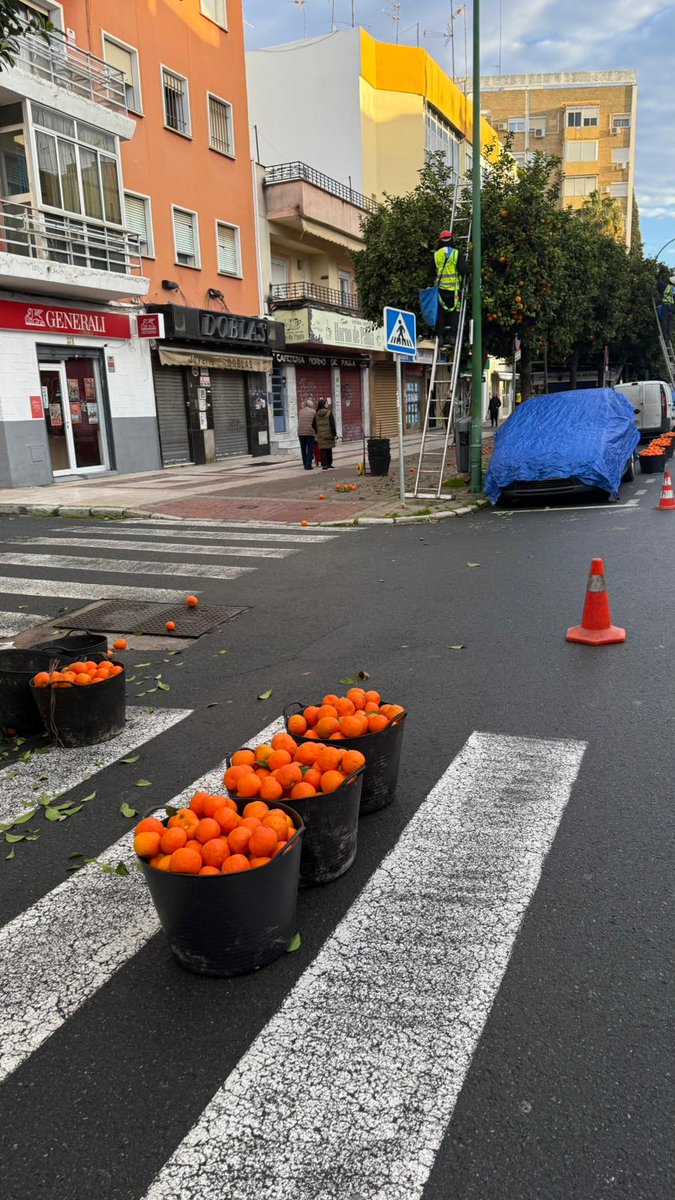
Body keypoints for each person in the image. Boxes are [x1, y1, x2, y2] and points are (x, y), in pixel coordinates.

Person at [433, 230, 466, 348]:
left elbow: (431, 272)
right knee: (454, 314)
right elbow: (463, 269)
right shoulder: (456, 254)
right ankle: (452, 337)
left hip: (440, 290)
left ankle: (440, 337)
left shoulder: (436, 255)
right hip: (454, 291)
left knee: (440, 314)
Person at [312, 398, 337, 469]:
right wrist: (334, 433)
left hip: (320, 434)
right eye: (326, 404)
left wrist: (318, 430)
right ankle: (329, 463)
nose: (327, 405)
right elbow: (332, 424)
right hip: (329, 433)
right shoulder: (329, 413)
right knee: (329, 448)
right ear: (324, 405)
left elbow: (313, 424)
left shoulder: (316, 414)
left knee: (323, 449)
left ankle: (324, 465)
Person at [297, 399, 316, 470]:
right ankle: (308, 465)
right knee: (310, 449)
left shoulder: (300, 411)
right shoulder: (313, 412)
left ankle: (305, 463)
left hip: (300, 433)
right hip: (309, 433)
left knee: (303, 449)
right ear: (311, 405)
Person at [660, 275, 675, 341]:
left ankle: (665, 335)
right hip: (671, 306)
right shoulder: (674, 289)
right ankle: (669, 336)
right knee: (670, 321)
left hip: (665, 305)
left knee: (665, 320)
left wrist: (660, 277)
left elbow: (660, 282)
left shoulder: (666, 286)